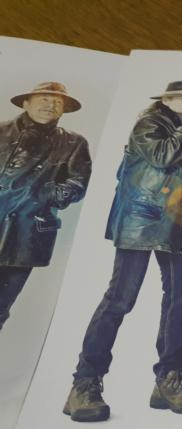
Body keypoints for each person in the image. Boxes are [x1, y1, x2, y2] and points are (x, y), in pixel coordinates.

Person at [65, 81, 182, 422]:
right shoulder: (149, 124)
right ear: (166, 99)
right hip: (140, 221)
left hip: (180, 223)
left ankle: (170, 379)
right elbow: (162, 156)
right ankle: (84, 383)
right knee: (120, 299)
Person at [0, 82, 91, 332]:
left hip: (26, 232)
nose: (50, 105)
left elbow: (78, 182)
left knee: (1, 306)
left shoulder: (73, 142)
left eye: (57, 102)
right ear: (26, 103)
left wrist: (47, 194)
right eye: (44, 99)